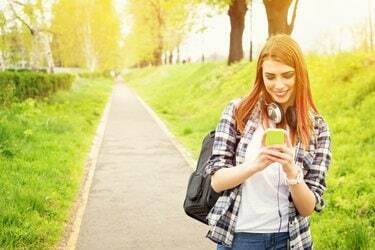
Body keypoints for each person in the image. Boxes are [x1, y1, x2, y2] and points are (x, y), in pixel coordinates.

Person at [204, 34, 332, 250]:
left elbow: (308, 207)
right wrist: (256, 164)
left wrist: (291, 170)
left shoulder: (317, 127)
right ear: (261, 76)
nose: (279, 85)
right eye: (270, 77)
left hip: (291, 241)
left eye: (287, 75)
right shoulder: (238, 112)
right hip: (240, 238)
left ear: (299, 75)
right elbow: (217, 181)